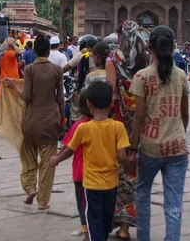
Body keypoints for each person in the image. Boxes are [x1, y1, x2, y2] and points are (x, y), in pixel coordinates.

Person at [50, 81, 131, 241]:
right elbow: (122, 156)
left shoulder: (83, 128)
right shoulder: (118, 127)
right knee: (106, 221)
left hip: (92, 185)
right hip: (111, 184)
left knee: (94, 222)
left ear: (88, 103)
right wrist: (129, 166)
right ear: (111, 103)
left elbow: (70, 150)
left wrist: (57, 159)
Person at [130, 25, 189, 241]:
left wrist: (132, 147)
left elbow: (139, 117)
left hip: (149, 147)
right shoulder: (181, 76)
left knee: (142, 193)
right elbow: (185, 114)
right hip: (177, 147)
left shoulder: (142, 77)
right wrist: (177, 133)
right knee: (174, 204)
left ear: (149, 47)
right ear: (173, 46)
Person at [3, 33, 65, 208]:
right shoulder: (56, 70)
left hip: (30, 121)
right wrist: (62, 120)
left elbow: (27, 96)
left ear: (35, 51)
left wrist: (15, 86)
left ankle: (30, 188)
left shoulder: (29, 69)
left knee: (28, 159)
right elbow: (60, 99)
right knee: (47, 164)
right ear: (48, 50)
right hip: (51, 120)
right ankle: (43, 201)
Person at [106, 20, 150, 240]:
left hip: (117, 123)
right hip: (141, 126)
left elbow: (111, 94)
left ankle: (108, 221)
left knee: (114, 171)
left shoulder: (113, 60)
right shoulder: (145, 59)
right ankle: (126, 226)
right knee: (134, 175)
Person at [58, 90, 92, 240]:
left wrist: (56, 159)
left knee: (82, 205)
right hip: (103, 175)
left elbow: (67, 148)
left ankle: (87, 234)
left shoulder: (78, 126)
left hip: (81, 174)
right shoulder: (112, 125)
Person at [0, 38, 22, 105]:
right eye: (13, 43)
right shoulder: (9, 53)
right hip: (11, 82)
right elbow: (19, 52)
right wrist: (14, 46)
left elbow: (10, 67)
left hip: (4, 80)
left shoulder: (2, 55)